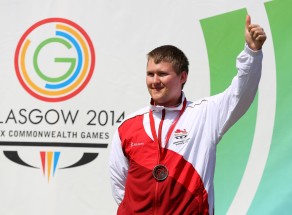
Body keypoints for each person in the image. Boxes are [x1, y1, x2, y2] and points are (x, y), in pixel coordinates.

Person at [109, 15, 266, 215]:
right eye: (150, 74)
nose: (155, 81)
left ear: (183, 77)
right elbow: (120, 187)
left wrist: (252, 53)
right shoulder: (128, 127)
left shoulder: (205, 114)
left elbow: (241, 93)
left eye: (162, 74)